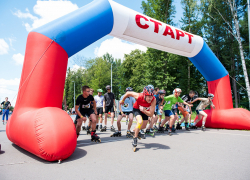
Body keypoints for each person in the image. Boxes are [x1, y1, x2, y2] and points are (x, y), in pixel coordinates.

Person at [120, 86, 156, 152]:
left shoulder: (153, 99)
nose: (150, 99)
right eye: (148, 97)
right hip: (137, 108)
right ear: (144, 95)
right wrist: (122, 100)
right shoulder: (139, 96)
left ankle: (134, 130)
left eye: (151, 96)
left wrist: (144, 110)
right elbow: (128, 93)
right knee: (139, 122)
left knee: (144, 126)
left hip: (145, 110)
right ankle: (135, 138)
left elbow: (151, 114)